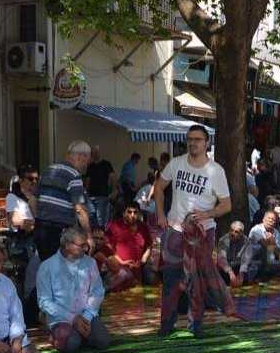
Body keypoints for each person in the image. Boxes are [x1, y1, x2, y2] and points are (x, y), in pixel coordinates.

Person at [155, 125, 235, 337]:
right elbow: (159, 187)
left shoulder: (216, 171)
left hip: (202, 233)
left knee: (196, 280)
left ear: (206, 143)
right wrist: (160, 214)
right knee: (170, 279)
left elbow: (226, 205)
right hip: (175, 230)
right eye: (190, 139)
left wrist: (208, 214)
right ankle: (166, 325)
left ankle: (195, 325)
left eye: (197, 139)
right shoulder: (177, 163)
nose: (193, 143)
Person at [36, 226, 110, 353]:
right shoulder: (47, 267)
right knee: (72, 345)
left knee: (102, 341)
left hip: (86, 315)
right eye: (81, 245)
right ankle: (58, 334)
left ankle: (76, 334)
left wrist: (86, 317)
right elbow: (44, 301)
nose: (86, 249)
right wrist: (73, 319)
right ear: (68, 245)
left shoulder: (90, 262)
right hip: (61, 317)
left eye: (86, 245)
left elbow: (97, 292)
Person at [34, 141, 92, 262]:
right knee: (60, 269)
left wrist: (40, 218)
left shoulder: (48, 170)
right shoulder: (74, 175)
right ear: (81, 156)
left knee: (47, 266)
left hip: (40, 229)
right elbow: (80, 209)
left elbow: (33, 200)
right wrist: (89, 236)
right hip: (58, 231)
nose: (86, 164)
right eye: (87, 160)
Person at [104, 201, 156, 291]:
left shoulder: (143, 227)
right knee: (123, 276)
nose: (132, 215)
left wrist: (143, 261)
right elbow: (107, 248)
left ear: (139, 214)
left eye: (135, 212)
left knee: (152, 278)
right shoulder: (114, 226)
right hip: (118, 267)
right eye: (129, 212)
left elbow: (149, 246)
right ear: (124, 213)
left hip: (137, 268)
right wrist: (121, 262)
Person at [245, 209, 280, 282]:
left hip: (271, 259)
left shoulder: (276, 232)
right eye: (269, 218)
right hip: (256, 261)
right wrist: (272, 244)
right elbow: (266, 246)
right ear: (263, 219)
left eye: (273, 220)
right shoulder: (256, 229)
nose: (271, 221)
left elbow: (277, 250)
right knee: (265, 252)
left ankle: (273, 277)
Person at [85, 146, 116, 228]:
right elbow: (88, 180)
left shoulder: (106, 164)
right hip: (91, 196)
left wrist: (113, 190)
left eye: (97, 152)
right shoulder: (90, 166)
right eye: (93, 152)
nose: (95, 154)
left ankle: (102, 235)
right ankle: (95, 235)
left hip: (103, 195)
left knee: (101, 218)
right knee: (91, 216)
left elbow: (113, 177)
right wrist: (86, 193)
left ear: (99, 153)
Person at [216, 221, 249, 287]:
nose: (232, 233)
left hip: (238, 266)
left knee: (252, 267)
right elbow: (222, 259)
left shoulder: (246, 241)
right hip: (227, 267)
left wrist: (241, 274)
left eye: (236, 232)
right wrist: (230, 273)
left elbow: (246, 260)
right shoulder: (223, 240)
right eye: (231, 230)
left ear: (241, 233)